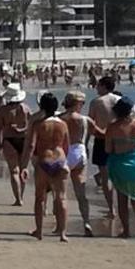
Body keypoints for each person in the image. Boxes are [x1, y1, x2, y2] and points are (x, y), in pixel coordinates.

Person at [21, 92, 69, 242]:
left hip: (44, 160)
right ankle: (62, 233)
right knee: (61, 197)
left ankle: (40, 231)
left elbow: (31, 145)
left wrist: (24, 165)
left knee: (40, 197)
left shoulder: (39, 124)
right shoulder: (63, 124)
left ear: (41, 106)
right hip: (60, 160)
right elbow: (67, 145)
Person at [106, 97, 135, 238]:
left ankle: (126, 230)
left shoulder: (112, 127)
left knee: (122, 197)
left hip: (120, 162)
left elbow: (108, 149)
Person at [60, 90, 100, 237]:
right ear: (78, 104)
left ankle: (60, 226)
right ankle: (86, 222)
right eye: (82, 103)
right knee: (81, 193)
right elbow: (100, 133)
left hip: (63, 153)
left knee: (60, 193)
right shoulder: (85, 120)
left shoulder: (60, 119)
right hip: (79, 152)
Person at [0, 83, 30, 206]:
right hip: (24, 140)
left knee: (14, 171)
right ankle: (22, 196)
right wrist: (21, 130)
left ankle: (18, 199)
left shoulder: (3, 110)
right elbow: (31, 126)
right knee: (23, 169)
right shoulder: (25, 108)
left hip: (9, 140)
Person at [89, 76, 119, 218]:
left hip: (101, 140)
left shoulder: (96, 102)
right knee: (119, 174)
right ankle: (122, 206)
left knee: (106, 177)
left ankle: (112, 209)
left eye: (98, 85)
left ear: (104, 87)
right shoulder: (118, 100)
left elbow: (90, 123)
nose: (96, 87)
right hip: (119, 139)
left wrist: (85, 141)